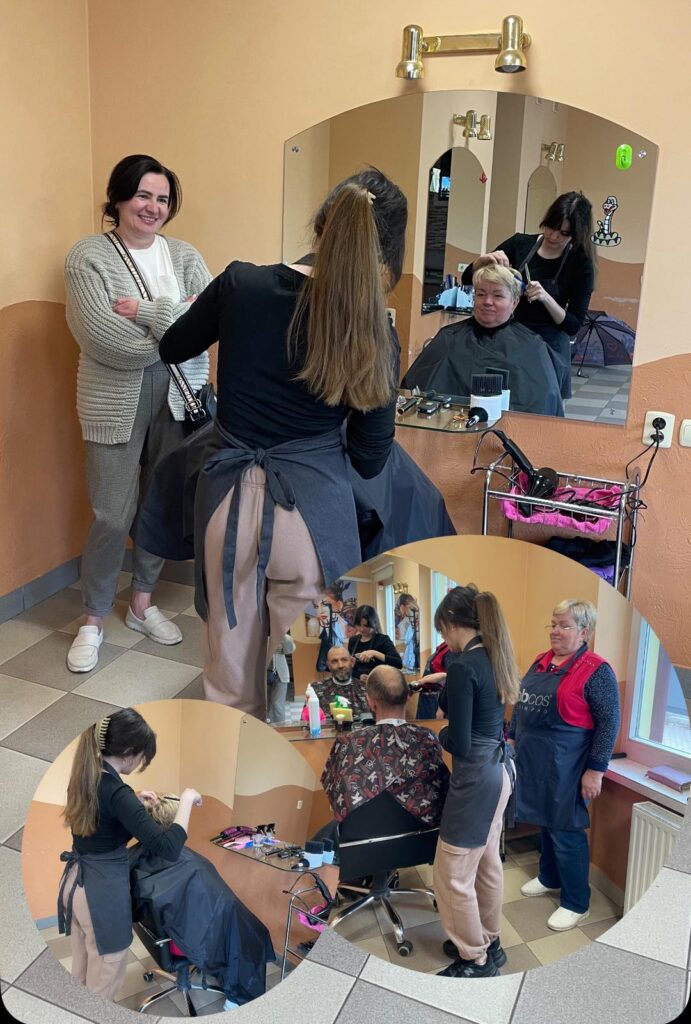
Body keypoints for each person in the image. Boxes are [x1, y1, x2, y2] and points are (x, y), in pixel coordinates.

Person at [134, 167, 408, 720]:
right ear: (386, 250)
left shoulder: (241, 284)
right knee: (313, 678)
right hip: (313, 520)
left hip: (227, 501)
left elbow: (173, 346)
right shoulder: (373, 329)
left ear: (319, 224)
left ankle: (235, 764)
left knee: (229, 671)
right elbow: (369, 456)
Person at [64, 154, 212, 674]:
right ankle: (93, 618)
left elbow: (207, 321)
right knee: (112, 513)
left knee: (161, 503)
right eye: (143, 195)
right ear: (120, 197)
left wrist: (146, 313)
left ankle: (142, 602)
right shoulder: (88, 256)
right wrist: (175, 325)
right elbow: (103, 339)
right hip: (113, 399)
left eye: (162, 199)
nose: (153, 207)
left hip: (181, 396)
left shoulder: (185, 255)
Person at [57, 709, 202, 1000]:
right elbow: (168, 848)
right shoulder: (117, 793)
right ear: (127, 753)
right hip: (99, 895)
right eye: (141, 757)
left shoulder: (86, 777)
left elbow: (101, 826)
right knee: (104, 979)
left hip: (74, 886)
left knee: (83, 971)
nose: (139, 764)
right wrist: (186, 801)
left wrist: (133, 802)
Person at [509, 599, 620, 932]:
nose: (555, 631)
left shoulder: (597, 671)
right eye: (553, 624)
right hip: (534, 760)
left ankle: (576, 902)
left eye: (564, 625)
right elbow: (520, 705)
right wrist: (511, 737)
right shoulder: (540, 662)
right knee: (546, 822)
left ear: (584, 632)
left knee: (566, 830)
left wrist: (595, 771)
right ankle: (549, 877)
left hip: (568, 767)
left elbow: (609, 724)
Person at [433, 584, 520, 979]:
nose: (444, 639)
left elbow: (461, 742)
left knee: (452, 872)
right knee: (486, 863)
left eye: (443, 630)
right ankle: (490, 939)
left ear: (453, 623)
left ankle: (475, 959)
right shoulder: (494, 655)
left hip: (477, 779)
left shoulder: (463, 665)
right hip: (499, 773)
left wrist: (440, 736)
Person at [131, 796, 275, 1008]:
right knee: (251, 934)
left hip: (161, 933)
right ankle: (236, 998)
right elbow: (215, 908)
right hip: (178, 941)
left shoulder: (135, 856)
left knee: (236, 928)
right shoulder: (190, 866)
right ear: (176, 825)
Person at [461, 190, 596, 398]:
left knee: (542, 406)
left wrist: (546, 298)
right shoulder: (520, 244)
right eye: (551, 227)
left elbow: (573, 325)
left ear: (576, 235)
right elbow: (467, 279)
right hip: (508, 341)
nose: (553, 236)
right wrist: (482, 261)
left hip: (548, 349)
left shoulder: (580, 264)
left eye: (563, 233)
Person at [402, 264, 564, 416]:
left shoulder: (532, 346)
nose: (487, 302)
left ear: (514, 302)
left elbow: (543, 406)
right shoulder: (448, 337)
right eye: (481, 294)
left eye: (498, 295)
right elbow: (414, 391)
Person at [321, 665, 449, 827]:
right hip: (423, 836)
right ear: (408, 697)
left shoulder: (347, 743)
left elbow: (336, 801)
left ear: (371, 702)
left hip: (362, 835)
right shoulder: (428, 737)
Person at [311, 645, 370, 718]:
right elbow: (307, 721)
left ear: (352, 662)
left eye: (344, 660)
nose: (340, 665)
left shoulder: (366, 688)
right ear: (328, 666)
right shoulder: (316, 690)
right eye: (334, 661)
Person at [348, 605, 403, 681]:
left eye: (365, 626)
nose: (361, 629)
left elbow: (398, 663)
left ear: (373, 623)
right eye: (359, 625)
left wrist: (374, 653)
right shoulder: (353, 641)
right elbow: (349, 669)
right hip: (359, 684)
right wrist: (359, 676)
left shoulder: (383, 640)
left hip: (380, 683)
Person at [266, 633, 296, 724]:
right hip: (262, 673)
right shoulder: (257, 633)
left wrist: (282, 634)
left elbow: (289, 650)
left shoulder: (282, 635)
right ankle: (268, 727)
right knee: (266, 704)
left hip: (281, 674)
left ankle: (281, 728)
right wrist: (272, 647)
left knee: (277, 704)